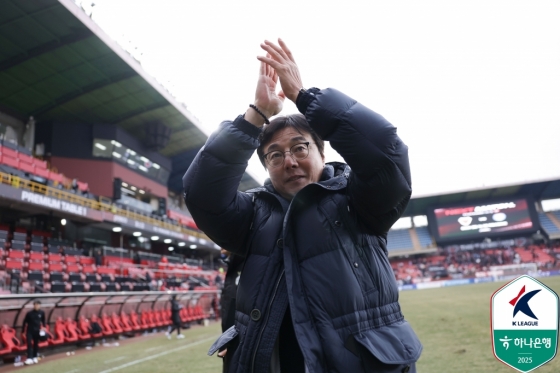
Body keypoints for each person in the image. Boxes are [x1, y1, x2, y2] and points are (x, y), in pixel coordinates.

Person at [183, 39, 422, 373]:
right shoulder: (251, 216)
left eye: (300, 148)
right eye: (275, 155)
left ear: (322, 154)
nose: (290, 161)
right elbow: (201, 194)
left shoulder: (359, 202)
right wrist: (256, 116)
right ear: (266, 166)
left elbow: (388, 154)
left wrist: (305, 97)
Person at [22, 301, 46, 365]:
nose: (37, 306)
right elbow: (25, 322)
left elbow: (43, 320)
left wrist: (44, 327)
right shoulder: (29, 313)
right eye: (36, 305)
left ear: (40, 305)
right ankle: (29, 358)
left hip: (37, 331)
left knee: (36, 344)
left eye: (38, 305)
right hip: (29, 330)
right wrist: (23, 331)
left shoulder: (42, 313)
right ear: (34, 305)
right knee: (29, 343)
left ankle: (35, 357)